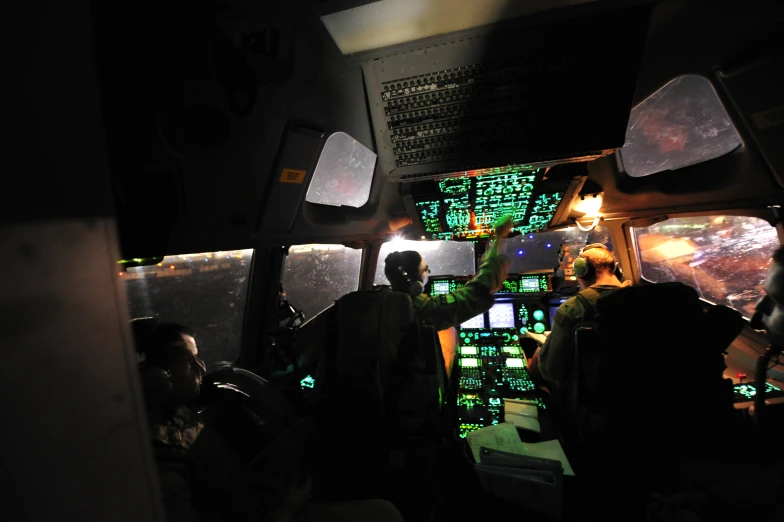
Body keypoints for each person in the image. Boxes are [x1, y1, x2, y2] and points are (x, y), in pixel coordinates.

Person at [131, 317, 403, 522]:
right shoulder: (159, 456)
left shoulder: (180, 414)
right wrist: (288, 508)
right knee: (385, 513)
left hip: (260, 500)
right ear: (156, 375)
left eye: (198, 357)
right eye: (188, 360)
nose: (201, 367)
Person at [528, 243, 630, 402]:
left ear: (582, 271)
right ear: (615, 269)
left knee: (537, 358)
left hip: (591, 401)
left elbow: (551, 371)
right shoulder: (640, 299)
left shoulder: (574, 308)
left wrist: (543, 349)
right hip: (637, 393)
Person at [383, 215, 513, 331]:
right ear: (415, 284)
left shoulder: (384, 303)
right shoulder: (421, 309)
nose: (429, 272)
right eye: (425, 269)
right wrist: (499, 237)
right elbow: (481, 289)